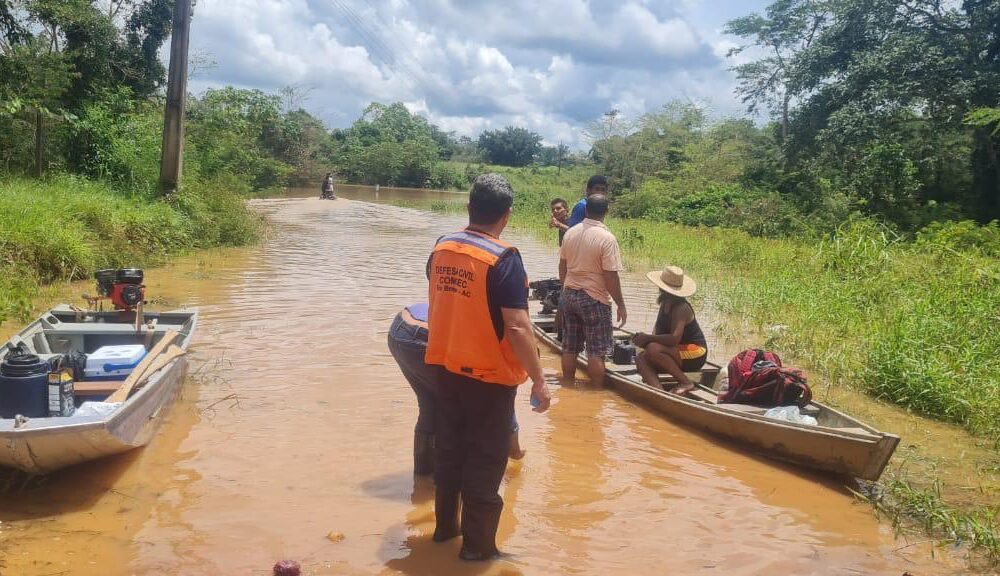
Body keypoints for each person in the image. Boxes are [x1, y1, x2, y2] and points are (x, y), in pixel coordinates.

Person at [425, 173, 551, 561]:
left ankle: (445, 531)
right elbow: (516, 326)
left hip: (443, 368)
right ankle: (478, 552)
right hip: (488, 378)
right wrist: (539, 379)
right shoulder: (504, 259)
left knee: (448, 452)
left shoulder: (442, 248)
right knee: (484, 461)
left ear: (469, 207)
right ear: (507, 215)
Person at [387, 302, 526, 478]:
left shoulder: (486, 322)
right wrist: (516, 454)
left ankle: (422, 476)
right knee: (461, 411)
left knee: (429, 405)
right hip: (426, 338)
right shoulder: (502, 354)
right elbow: (505, 411)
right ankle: (447, 481)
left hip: (399, 330)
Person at [558, 194, 626, 388]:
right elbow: (611, 277)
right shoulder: (607, 238)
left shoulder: (570, 232)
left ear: (586, 210)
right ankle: (597, 392)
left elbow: (562, 266)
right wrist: (621, 304)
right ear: (606, 212)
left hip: (570, 294)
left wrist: (566, 290)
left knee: (570, 347)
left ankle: (568, 386)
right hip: (594, 298)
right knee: (596, 351)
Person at [632, 265, 708, 396]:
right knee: (641, 358)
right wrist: (644, 340)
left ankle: (686, 382)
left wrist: (649, 339)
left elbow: (674, 338)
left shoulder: (681, 308)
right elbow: (657, 332)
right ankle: (659, 392)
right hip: (675, 350)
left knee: (653, 349)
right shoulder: (665, 304)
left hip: (695, 352)